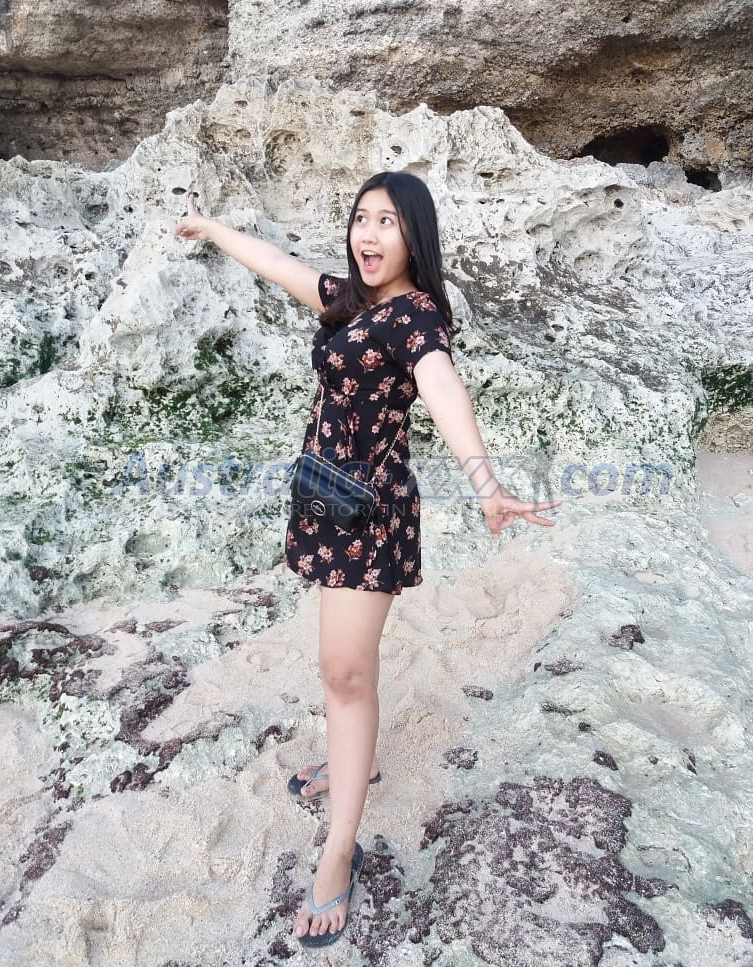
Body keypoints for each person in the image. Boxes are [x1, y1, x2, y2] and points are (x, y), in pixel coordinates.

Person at [174, 171, 563, 948]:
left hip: (371, 514)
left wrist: (486, 483)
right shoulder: (353, 302)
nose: (369, 234)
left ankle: (339, 844)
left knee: (345, 672)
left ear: (415, 234)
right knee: (339, 668)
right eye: (361, 219)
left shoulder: (415, 316)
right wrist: (212, 230)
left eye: (387, 221)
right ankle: (350, 760)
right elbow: (280, 266)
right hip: (328, 494)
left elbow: (442, 386)